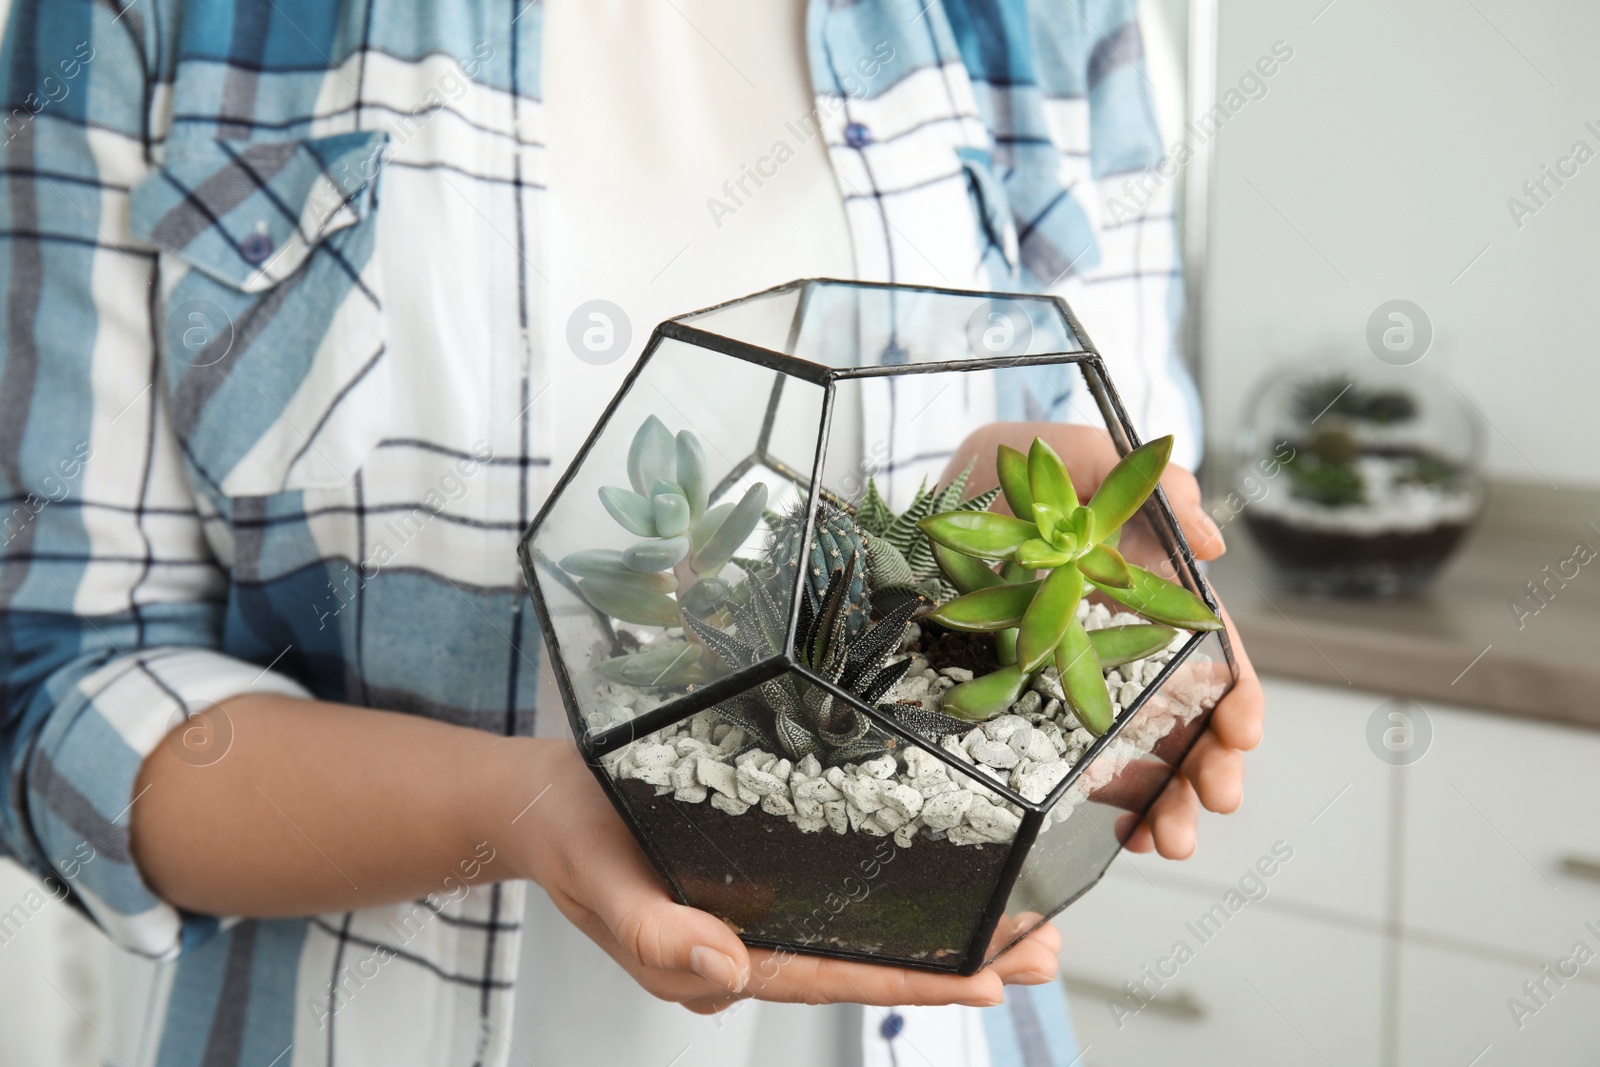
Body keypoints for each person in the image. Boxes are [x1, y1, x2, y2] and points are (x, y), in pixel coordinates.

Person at [0, 1, 1263, 1065]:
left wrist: (1004, 534)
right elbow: (57, 697)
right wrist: (531, 808)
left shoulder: (1050, 24)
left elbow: (1113, 471)